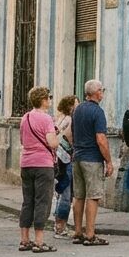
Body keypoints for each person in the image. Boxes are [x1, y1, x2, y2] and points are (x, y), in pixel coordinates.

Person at [70, 79, 113, 246]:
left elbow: (73, 133)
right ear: (97, 93)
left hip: (78, 156)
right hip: (92, 158)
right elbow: (101, 139)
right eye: (102, 90)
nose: (103, 93)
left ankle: (78, 231)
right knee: (93, 196)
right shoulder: (98, 112)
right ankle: (90, 234)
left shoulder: (77, 109)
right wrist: (108, 161)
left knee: (78, 196)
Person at [17, 86, 60, 253]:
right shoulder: (46, 119)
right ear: (43, 100)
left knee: (28, 201)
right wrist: (58, 134)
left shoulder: (25, 117)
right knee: (42, 201)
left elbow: (22, 139)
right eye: (48, 97)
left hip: (26, 163)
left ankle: (24, 239)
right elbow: (53, 143)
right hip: (43, 164)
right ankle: (39, 241)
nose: (50, 100)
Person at [51, 95, 77, 239]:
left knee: (61, 192)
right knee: (66, 193)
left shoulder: (58, 117)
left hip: (58, 157)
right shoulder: (69, 120)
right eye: (75, 104)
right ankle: (60, 226)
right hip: (66, 158)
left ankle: (58, 223)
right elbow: (69, 138)